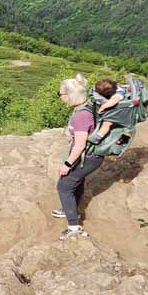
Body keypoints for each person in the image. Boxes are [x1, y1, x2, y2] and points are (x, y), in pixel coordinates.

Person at [52, 74, 104, 240]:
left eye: (60, 94)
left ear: (68, 95)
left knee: (64, 185)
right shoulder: (86, 106)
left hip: (88, 156)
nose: (60, 98)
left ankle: (74, 227)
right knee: (77, 181)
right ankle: (71, 208)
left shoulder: (81, 116)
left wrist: (67, 164)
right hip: (91, 155)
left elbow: (80, 145)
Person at [89, 78, 125, 143]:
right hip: (114, 108)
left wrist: (103, 107)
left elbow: (114, 101)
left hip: (120, 111)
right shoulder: (113, 86)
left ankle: (97, 138)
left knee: (107, 123)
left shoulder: (118, 93)